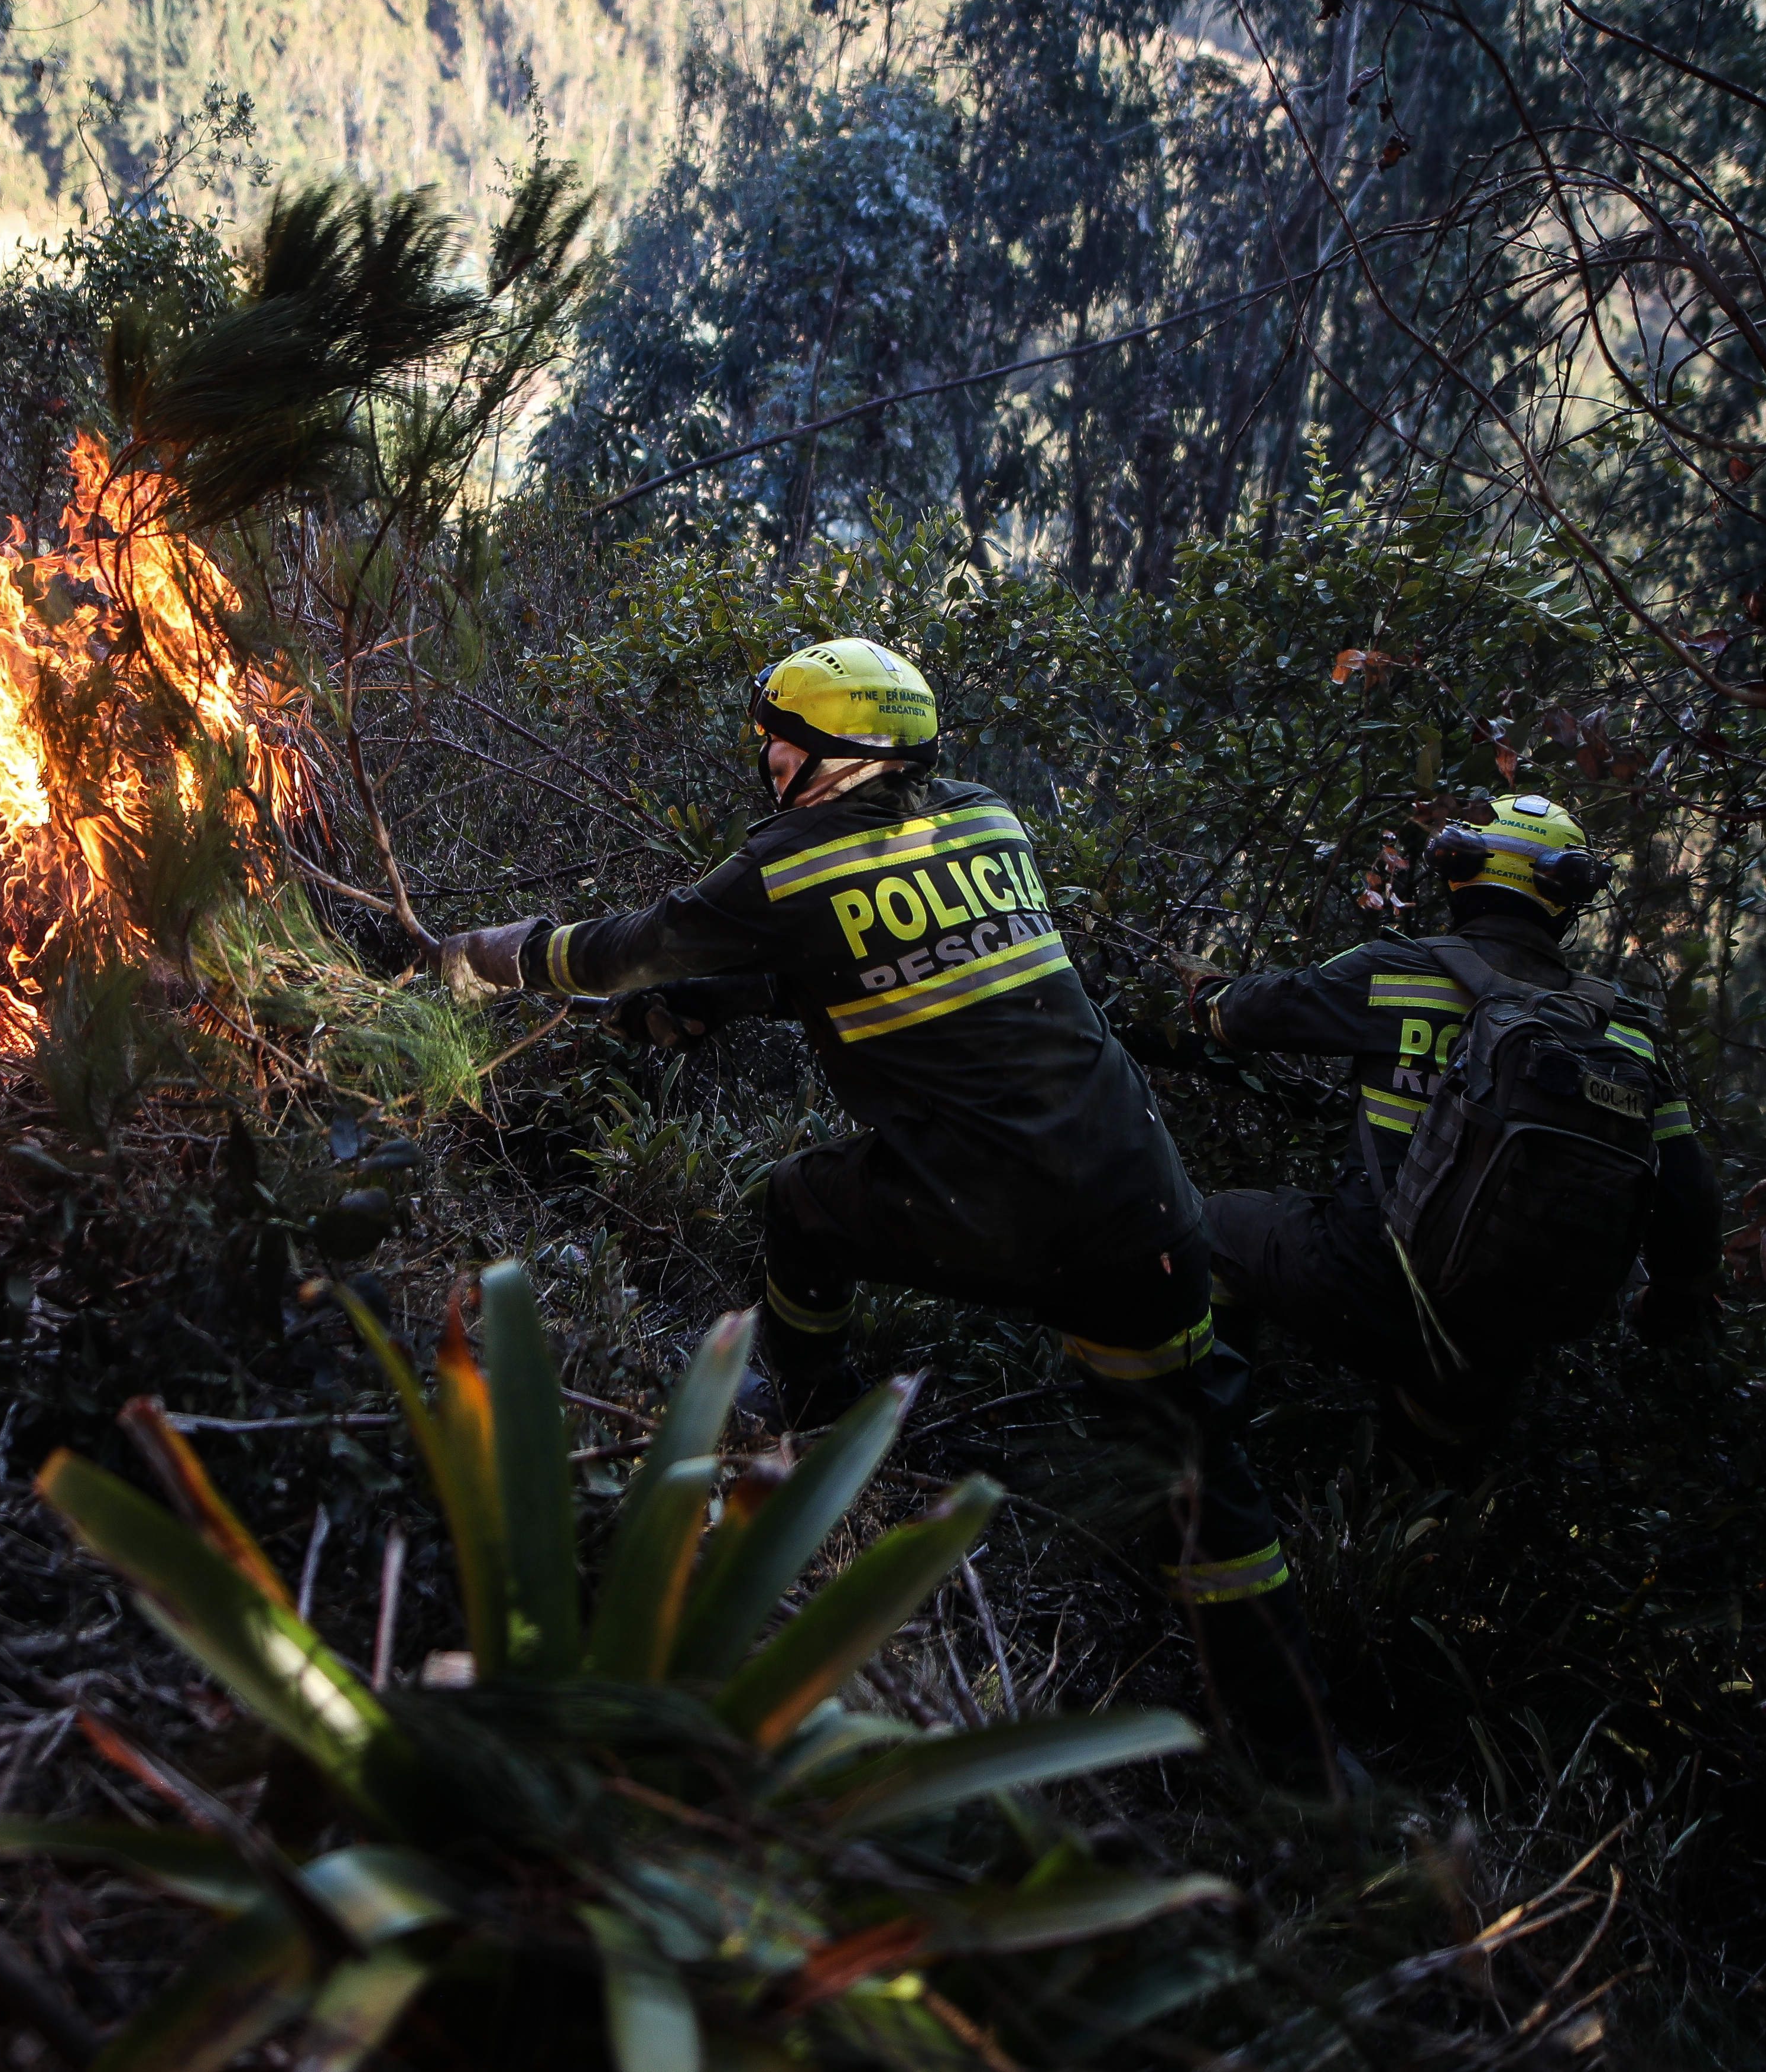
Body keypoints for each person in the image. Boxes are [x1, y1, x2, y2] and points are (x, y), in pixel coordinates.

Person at [429, 638, 1338, 1774]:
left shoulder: (790, 863)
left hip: (998, 1207)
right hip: (1143, 1202)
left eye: (783, 739)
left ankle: (806, 1402)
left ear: (837, 756)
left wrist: (484, 957)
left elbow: (628, 954)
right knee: (1197, 1465)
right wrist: (721, 1002)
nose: (766, 756)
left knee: (805, 1205)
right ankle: (1298, 1753)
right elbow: (874, 948)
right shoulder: (987, 820)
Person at [1136, 793, 1722, 1479]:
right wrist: (1671, 1307)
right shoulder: (1628, 1031)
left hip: (1362, 1284)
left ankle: (1200, 1465)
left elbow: (1243, 1016)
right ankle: (1415, 1530)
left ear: (1459, 870)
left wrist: (1204, 992)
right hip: (1494, 1336)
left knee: (1215, 1229)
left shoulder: (1395, 968)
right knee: (1427, 1490)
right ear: (1567, 894)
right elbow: (1689, 1198)